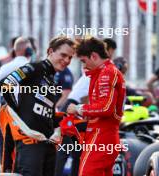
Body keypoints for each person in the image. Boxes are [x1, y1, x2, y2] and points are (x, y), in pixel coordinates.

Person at [0, 36, 75, 176]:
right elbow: (5, 84)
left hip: (47, 145)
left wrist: (61, 124)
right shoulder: (35, 67)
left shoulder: (52, 79)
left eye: (70, 57)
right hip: (30, 145)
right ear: (50, 51)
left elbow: (48, 113)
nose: (66, 61)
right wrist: (17, 111)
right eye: (63, 55)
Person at [67, 38, 126, 176]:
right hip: (103, 134)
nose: (84, 66)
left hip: (102, 135)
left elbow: (106, 108)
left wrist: (78, 108)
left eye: (84, 61)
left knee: (87, 173)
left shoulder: (107, 73)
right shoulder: (104, 72)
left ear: (93, 56)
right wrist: (85, 112)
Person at [0, 37, 34, 172]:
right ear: (29, 51)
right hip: (30, 121)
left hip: (8, 118)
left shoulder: (5, 68)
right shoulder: (36, 69)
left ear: (14, 51)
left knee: (6, 158)